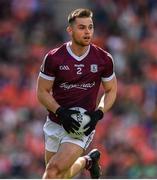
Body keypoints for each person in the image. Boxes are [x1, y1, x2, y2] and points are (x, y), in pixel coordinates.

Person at [36, 8, 117, 179]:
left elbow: (111, 90)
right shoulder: (54, 58)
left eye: (90, 27)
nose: (87, 32)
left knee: (52, 173)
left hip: (82, 126)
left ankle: (86, 160)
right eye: (82, 27)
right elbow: (42, 92)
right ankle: (88, 161)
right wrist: (61, 112)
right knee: (60, 176)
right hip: (55, 122)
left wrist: (99, 113)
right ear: (70, 30)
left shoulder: (103, 59)